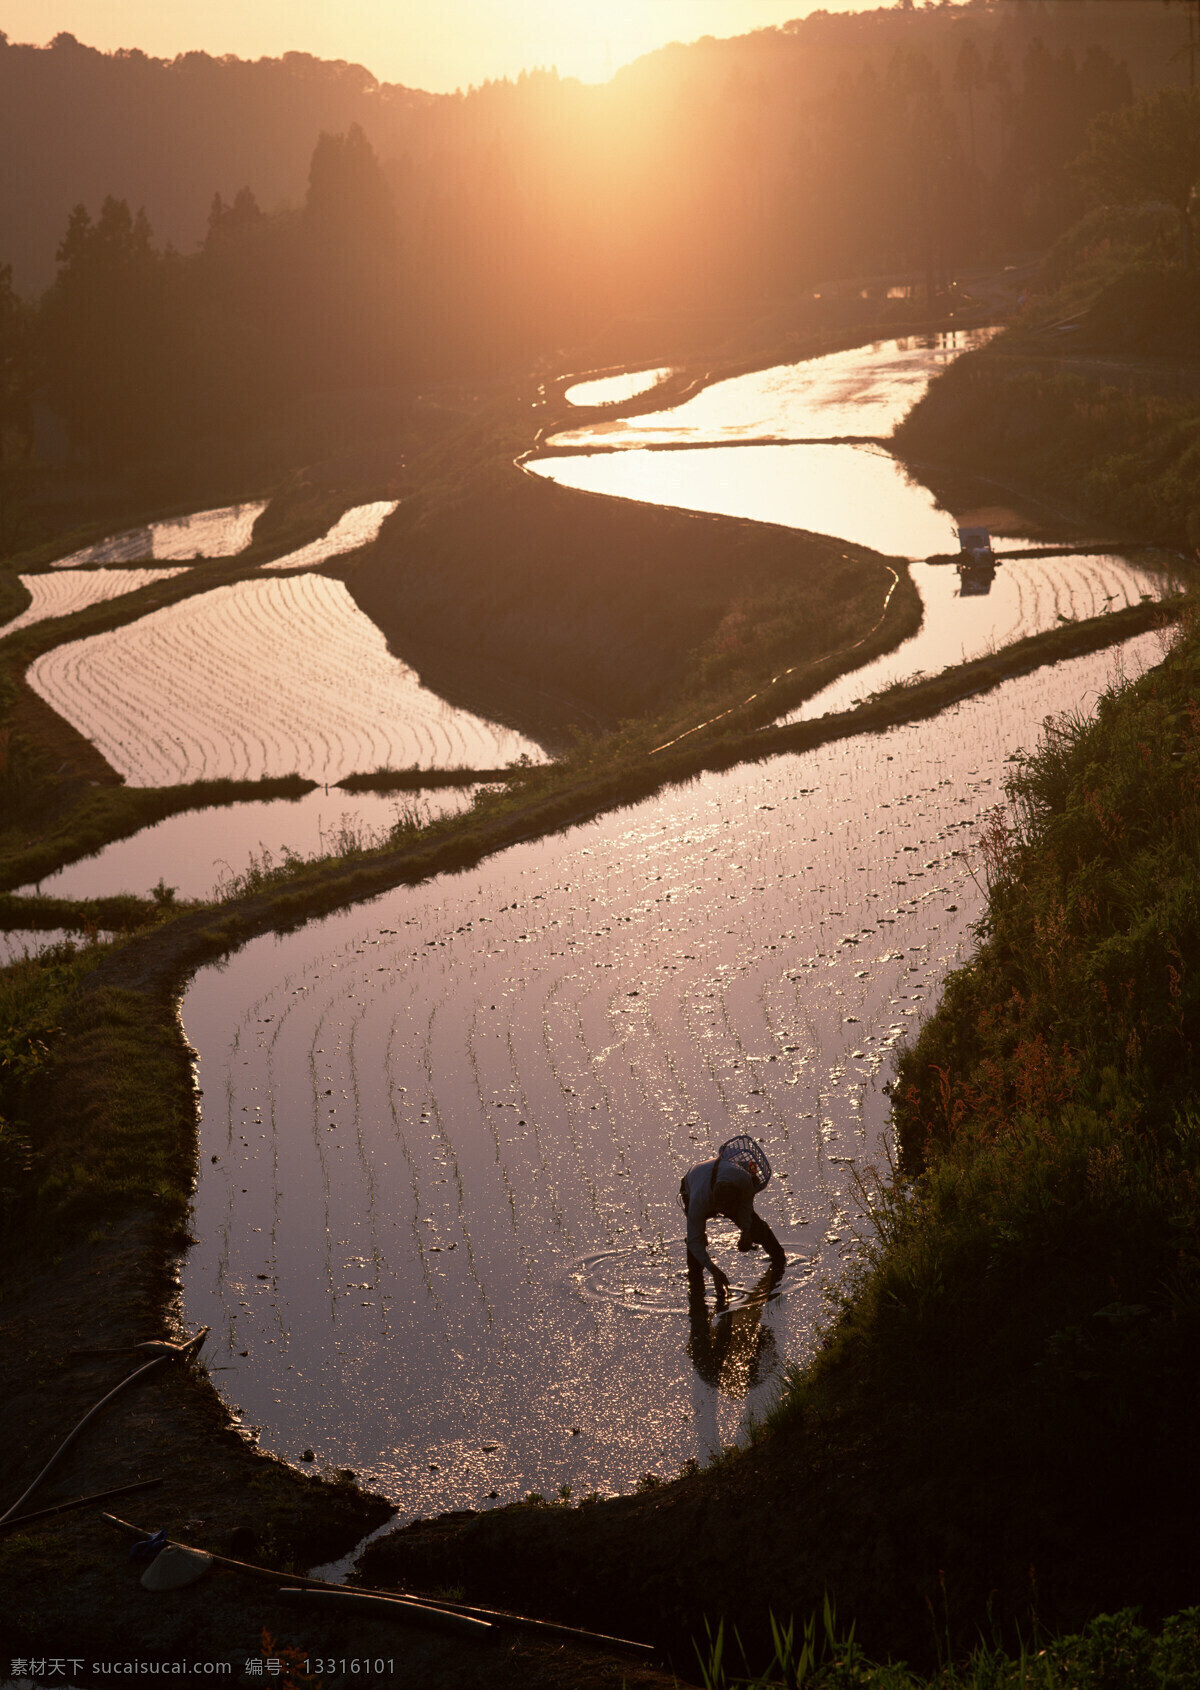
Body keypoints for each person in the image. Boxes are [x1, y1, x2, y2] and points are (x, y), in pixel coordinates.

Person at [680, 1146, 786, 1302]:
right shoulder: (699, 1200)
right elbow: (693, 1240)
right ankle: (696, 1283)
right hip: (692, 1184)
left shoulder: (744, 1181)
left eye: (729, 1211)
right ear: (714, 1204)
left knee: (757, 1229)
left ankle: (779, 1259)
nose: (723, 1214)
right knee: (697, 1242)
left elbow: (747, 1209)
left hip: (729, 1183)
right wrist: (715, 1271)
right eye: (721, 1210)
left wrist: (746, 1231)